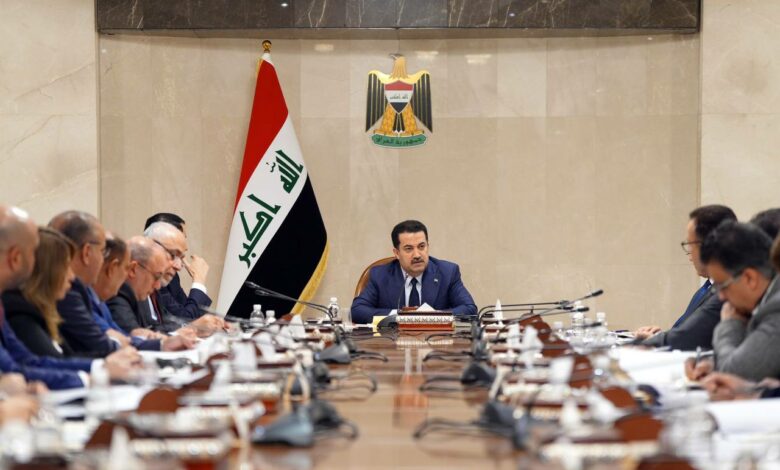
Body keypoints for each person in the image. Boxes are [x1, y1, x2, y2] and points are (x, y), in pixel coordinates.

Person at [0, 205, 140, 390]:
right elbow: (21, 369)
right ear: (16, 257)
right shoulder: (19, 310)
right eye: (34, 251)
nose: (72, 277)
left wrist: (100, 368)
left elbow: (26, 364)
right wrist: (96, 374)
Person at [686, 221, 780, 382]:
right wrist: (712, 363)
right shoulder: (765, 300)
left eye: (722, 286)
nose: (721, 297)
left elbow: (734, 372)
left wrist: (730, 324)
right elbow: (750, 357)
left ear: (750, 278)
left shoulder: (776, 309)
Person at [636, 205, 737, 350]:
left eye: (690, 245)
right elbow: (686, 331)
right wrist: (660, 336)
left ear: (707, 246)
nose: (690, 257)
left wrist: (650, 341)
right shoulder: (708, 288)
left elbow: (685, 338)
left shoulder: (727, 289)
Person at [351, 220, 477, 324]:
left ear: (428, 246)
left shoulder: (448, 272)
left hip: (435, 342)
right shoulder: (380, 275)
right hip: (392, 343)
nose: (417, 255)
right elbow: (358, 310)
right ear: (396, 253)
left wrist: (432, 317)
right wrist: (400, 316)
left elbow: (469, 309)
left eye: (421, 246)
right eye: (408, 249)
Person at [91, 234, 194, 351]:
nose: (157, 285)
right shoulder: (117, 293)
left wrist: (154, 339)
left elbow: (125, 336)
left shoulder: (142, 289)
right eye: (172, 255)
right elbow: (117, 339)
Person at [3, 227, 84, 357]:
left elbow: (68, 359)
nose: (72, 277)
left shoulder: (40, 310)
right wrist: (103, 365)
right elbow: (53, 363)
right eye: (66, 266)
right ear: (46, 271)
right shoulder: (20, 315)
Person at [48, 211, 118, 356]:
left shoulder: (81, 289)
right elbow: (101, 346)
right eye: (103, 252)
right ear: (86, 252)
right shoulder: (67, 292)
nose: (103, 261)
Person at [143, 221, 211, 320]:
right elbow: (185, 319)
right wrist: (199, 281)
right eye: (173, 255)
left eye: (181, 256)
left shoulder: (171, 279)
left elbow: (182, 319)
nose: (179, 266)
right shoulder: (129, 293)